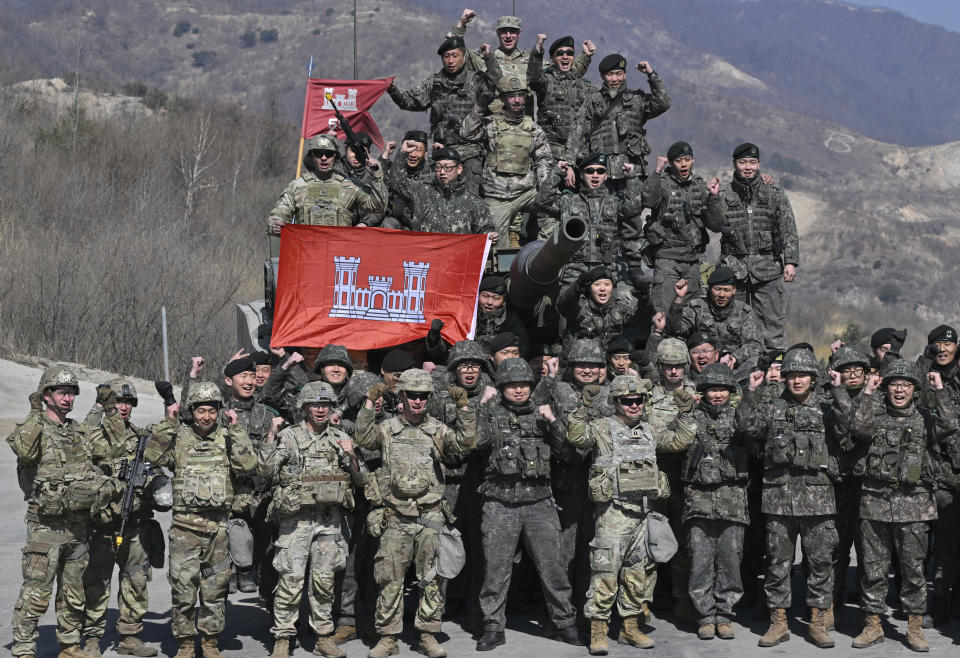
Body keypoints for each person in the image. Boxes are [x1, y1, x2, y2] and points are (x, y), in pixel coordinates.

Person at [356, 369, 477, 658]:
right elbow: (362, 437)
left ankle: (428, 634)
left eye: (423, 396)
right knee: (389, 577)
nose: (418, 401)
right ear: (402, 397)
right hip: (396, 516)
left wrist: (464, 409)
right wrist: (367, 405)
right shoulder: (387, 429)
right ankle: (387, 637)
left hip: (430, 515)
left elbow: (465, 444)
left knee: (433, 578)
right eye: (412, 395)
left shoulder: (438, 430)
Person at [566, 374, 691, 653]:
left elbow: (681, 440)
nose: (634, 405)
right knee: (605, 571)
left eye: (639, 400)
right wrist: (581, 407)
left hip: (643, 513)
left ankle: (630, 628)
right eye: (627, 401)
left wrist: (686, 412)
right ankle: (598, 630)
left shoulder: (650, 430)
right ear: (615, 402)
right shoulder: (602, 428)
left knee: (637, 574)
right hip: (613, 513)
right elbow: (576, 436)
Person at [8, 368, 124, 658]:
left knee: (73, 592)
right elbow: (23, 450)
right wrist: (35, 411)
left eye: (72, 393)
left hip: (79, 527)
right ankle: (24, 649)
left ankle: (70, 645)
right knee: (37, 592)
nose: (68, 398)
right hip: (45, 528)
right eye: (61, 392)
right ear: (46, 394)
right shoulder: (33, 430)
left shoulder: (78, 432)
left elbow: (115, 444)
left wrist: (109, 408)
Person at [144, 382, 266, 658]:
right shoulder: (180, 438)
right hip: (184, 529)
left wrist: (235, 429)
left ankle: (210, 642)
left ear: (220, 412)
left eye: (212, 411)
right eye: (201, 411)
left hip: (217, 530)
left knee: (215, 590)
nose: (207, 417)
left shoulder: (227, 437)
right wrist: (168, 423)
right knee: (183, 589)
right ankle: (186, 644)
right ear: (193, 411)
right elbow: (152, 456)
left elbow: (248, 466)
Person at [846, 360, 955, 651]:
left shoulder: (925, 419)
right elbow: (856, 426)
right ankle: (873, 625)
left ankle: (914, 627)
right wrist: (868, 392)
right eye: (894, 384)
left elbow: (948, 425)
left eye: (906, 385)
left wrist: (940, 390)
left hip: (914, 507)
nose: (899, 389)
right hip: (875, 505)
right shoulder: (876, 417)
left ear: (915, 390)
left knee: (913, 570)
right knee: (872, 568)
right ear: (886, 387)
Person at [474, 358, 581, 651]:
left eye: (523, 384)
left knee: (553, 568)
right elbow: (475, 442)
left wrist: (554, 422)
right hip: (500, 503)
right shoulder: (492, 414)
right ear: (502, 387)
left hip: (539, 503)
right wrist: (482, 406)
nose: (518, 390)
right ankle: (493, 627)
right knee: (496, 570)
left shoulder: (542, 414)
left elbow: (568, 453)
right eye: (512, 385)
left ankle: (564, 623)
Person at [737, 348, 840, 649]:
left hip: (818, 499)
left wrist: (841, 392)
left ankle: (818, 621)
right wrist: (751, 392)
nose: (797, 381)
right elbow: (747, 426)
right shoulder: (772, 406)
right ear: (784, 378)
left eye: (803, 375)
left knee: (821, 563)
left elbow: (852, 428)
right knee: (778, 563)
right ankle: (778, 622)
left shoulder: (828, 408)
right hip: (779, 499)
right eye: (792, 375)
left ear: (813, 378)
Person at [265, 382, 368, 658]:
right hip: (295, 521)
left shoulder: (340, 438)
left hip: (328, 521)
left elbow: (361, 480)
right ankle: (283, 639)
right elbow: (264, 472)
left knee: (324, 581)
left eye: (325, 405)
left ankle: (323, 636)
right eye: (315, 405)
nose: (321, 409)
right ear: (304, 407)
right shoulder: (288, 437)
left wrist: (351, 455)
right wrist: (271, 436)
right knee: (290, 579)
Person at [82, 379, 162, 658]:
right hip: (101, 524)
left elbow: (157, 467)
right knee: (96, 582)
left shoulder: (141, 437)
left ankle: (130, 636)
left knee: (136, 581)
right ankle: (92, 638)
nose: (123, 407)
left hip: (136, 523)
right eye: (118, 401)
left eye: (128, 402)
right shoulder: (92, 434)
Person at [680, 363, 752, 640]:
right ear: (704, 392)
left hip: (732, 502)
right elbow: (672, 442)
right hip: (698, 502)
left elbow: (754, 438)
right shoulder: (691, 418)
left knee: (731, 561)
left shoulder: (739, 418)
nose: (718, 394)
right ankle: (705, 616)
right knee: (700, 561)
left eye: (723, 389)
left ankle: (725, 615)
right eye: (712, 389)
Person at [704, 143, 799, 351]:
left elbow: (788, 226)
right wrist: (712, 198)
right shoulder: (724, 193)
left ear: (759, 164)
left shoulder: (773, 192)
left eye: (753, 162)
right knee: (732, 327)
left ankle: (774, 373)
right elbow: (713, 224)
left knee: (772, 326)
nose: (748, 167)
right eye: (743, 162)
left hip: (768, 270)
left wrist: (791, 261)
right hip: (734, 270)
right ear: (734, 164)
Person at [386, 33, 500, 196]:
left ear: (464, 55)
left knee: (470, 199)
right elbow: (408, 101)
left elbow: (496, 81)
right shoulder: (435, 83)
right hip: (442, 152)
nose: (450, 61)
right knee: (439, 199)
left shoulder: (476, 80)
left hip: (470, 153)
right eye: (446, 56)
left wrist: (489, 57)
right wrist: (392, 89)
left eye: (455, 55)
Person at [460, 75, 553, 249]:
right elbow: (466, 134)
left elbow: (543, 160)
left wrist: (545, 190)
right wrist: (479, 107)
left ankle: (541, 255)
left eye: (521, 95)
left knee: (555, 211)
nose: (517, 100)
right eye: (511, 96)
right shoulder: (490, 125)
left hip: (526, 193)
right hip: (497, 197)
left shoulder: (533, 128)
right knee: (497, 245)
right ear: (502, 98)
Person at [645, 339, 698, 623]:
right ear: (660, 367)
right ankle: (643, 599)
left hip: (685, 478)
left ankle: (682, 598)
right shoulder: (647, 397)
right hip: (654, 477)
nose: (674, 372)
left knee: (682, 540)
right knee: (649, 539)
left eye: (679, 366)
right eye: (668, 366)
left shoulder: (696, 395)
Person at [537, 153, 644, 280]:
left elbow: (634, 208)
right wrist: (556, 173)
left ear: (606, 176)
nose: (595, 175)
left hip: (607, 271)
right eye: (590, 171)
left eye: (600, 171)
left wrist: (631, 177)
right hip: (573, 272)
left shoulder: (615, 202)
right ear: (581, 175)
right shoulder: (568, 201)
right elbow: (542, 202)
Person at [266, 133, 387, 234]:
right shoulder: (297, 186)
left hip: (339, 253)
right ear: (312, 156)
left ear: (335, 156)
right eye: (319, 153)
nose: (324, 158)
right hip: (306, 251)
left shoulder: (350, 186)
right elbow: (279, 214)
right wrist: (275, 224)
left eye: (328, 154)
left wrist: (376, 176)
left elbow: (378, 207)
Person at [641, 141, 710, 312]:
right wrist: (657, 172)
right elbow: (648, 200)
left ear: (693, 160)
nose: (684, 164)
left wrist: (714, 198)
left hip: (693, 260)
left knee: (692, 314)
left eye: (687, 159)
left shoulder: (699, 185)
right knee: (663, 314)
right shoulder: (663, 183)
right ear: (671, 163)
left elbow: (713, 221)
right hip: (667, 258)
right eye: (679, 161)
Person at [664, 268, 764, 373]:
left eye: (727, 290)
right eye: (717, 289)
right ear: (709, 289)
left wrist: (734, 358)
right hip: (699, 364)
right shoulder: (697, 308)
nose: (721, 295)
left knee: (755, 362)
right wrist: (678, 300)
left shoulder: (744, 312)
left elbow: (755, 345)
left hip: (732, 366)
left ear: (734, 290)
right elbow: (676, 330)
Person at [389, 144, 496, 237]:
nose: (442, 172)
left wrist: (489, 235)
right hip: (426, 256)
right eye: (438, 167)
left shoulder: (473, 202)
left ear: (459, 169)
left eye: (447, 167)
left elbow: (484, 229)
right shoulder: (421, 192)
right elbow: (396, 183)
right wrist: (402, 153)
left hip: (456, 257)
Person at [527, 35, 596, 159]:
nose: (565, 56)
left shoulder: (582, 84)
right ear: (552, 58)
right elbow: (534, 78)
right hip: (551, 150)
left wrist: (586, 55)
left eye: (569, 53)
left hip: (578, 152)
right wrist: (538, 49)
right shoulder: (547, 80)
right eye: (560, 53)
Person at [557, 265, 638, 354]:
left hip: (609, 361)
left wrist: (644, 298)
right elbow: (563, 304)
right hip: (581, 361)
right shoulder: (579, 305)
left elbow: (640, 318)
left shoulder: (620, 305)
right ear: (589, 289)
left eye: (607, 284)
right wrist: (578, 285)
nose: (602, 289)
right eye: (597, 284)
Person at [474, 276, 530, 356]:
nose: (489, 302)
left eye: (496, 298)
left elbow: (522, 349)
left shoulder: (511, 319)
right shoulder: (471, 317)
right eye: (485, 296)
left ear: (504, 301)